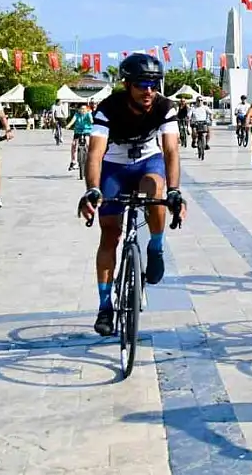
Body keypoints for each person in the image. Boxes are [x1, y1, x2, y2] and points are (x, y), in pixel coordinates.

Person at [76, 53, 186, 336]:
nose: (149, 90)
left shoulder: (164, 106)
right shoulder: (108, 107)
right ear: (127, 84)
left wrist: (175, 191)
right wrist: (92, 189)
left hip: (148, 161)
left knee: (155, 188)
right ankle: (104, 306)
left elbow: (171, 150)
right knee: (109, 233)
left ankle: (156, 246)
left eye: (153, 83)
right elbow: (95, 153)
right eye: (141, 84)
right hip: (115, 165)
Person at [66, 103, 94, 170]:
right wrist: (69, 125)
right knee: (74, 144)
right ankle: (73, 161)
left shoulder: (88, 114)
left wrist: (92, 122)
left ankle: (90, 159)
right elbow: (73, 120)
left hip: (87, 131)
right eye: (81, 109)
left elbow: (91, 120)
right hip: (78, 131)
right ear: (78, 110)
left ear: (87, 109)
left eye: (84, 109)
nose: (83, 110)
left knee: (87, 143)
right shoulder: (76, 114)